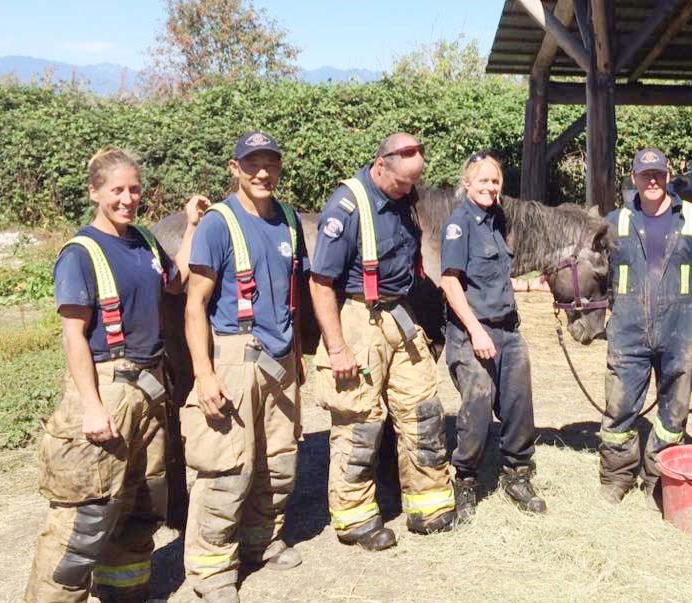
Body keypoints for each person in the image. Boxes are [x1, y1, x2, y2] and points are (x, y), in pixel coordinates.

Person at [26, 148, 202, 602]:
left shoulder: (143, 241)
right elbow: (73, 337)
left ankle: (125, 592)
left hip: (148, 391)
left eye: (134, 189)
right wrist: (91, 407)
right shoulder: (80, 253)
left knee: (140, 506)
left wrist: (193, 225)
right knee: (84, 521)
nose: (128, 198)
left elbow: (176, 281)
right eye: (117, 190)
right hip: (106, 388)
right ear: (94, 193)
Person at [311, 132, 455, 551]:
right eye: (401, 183)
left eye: (413, 183)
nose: (409, 191)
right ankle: (355, 517)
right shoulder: (347, 206)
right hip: (359, 317)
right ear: (380, 165)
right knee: (359, 420)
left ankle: (428, 504)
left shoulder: (403, 198)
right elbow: (320, 283)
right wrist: (338, 348)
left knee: (422, 408)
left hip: (401, 315)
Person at [182, 132, 309, 602]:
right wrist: (204, 374)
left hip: (281, 360)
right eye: (252, 164)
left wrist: (297, 358)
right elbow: (194, 305)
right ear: (234, 169)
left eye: (270, 164)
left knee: (279, 462)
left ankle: (262, 542)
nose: (262, 173)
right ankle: (213, 573)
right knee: (227, 468)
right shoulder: (219, 223)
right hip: (235, 356)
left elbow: (291, 299)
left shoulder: (290, 220)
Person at [599, 147, 692, 508]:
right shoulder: (615, 221)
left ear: (668, 177)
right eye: (644, 175)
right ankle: (617, 476)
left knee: (674, 411)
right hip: (628, 329)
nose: (652, 180)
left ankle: (657, 476)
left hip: (680, 329)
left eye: (658, 174)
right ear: (634, 179)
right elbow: (592, 272)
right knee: (620, 406)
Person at [439, 151, 547, 521]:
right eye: (482, 180)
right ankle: (465, 480)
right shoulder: (459, 224)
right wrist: (475, 331)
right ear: (467, 183)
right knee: (479, 404)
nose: (490, 186)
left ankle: (518, 474)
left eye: (495, 180)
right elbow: (450, 282)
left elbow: (494, 277)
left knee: (519, 404)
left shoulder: (496, 220)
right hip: (473, 334)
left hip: (508, 331)